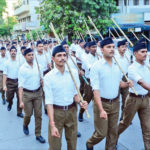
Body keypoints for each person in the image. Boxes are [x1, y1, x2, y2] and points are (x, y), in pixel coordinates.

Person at [86, 37, 133, 150]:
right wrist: (101, 109)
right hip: (102, 103)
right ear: (101, 49)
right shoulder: (96, 67)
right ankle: (89, 143)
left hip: (115, 103)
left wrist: (127, 84)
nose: (112, 49)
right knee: (101, 133)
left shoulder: (117, 65)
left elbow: (119, 83)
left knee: (113, 133)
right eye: (108, 47)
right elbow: (95, 90)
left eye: (113, 47)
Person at [44, 45, 87, 150]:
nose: (62, 58)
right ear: (53, 59)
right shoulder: (48, 77)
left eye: (64, 55)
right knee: (55, 145)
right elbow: (49, 102)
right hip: (56, 112)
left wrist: (81, 102)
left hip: (71, 111)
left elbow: (75, 95)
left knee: (72, 143)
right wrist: (52, 124)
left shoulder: (72, 73)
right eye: (59, 55)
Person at [116, 42, 150, 150]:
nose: (145, 54)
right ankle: (113, 137)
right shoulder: (132, 68)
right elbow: (141, 82)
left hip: (145, 99)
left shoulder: (147, 65)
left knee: (147, 128)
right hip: (133, 100)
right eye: (142, 52)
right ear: (135, 53)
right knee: (124, 124)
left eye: (146, 51)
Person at [18, 48, 46, 143]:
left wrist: (42, 81)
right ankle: (25, 125)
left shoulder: (39, 66)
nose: (31, 56)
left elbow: (42, 79)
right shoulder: (22, 69)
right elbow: (20, 85)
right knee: (28, 114)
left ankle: (38, 134)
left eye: (32, 55)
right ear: (25, 56)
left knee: (38, 115)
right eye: (29, 55)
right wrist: (21, 101)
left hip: (38, 93)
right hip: (27, 94)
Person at [79, 41, 99, 122]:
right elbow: (91, 68)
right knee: (87, 98)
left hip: (98, 80)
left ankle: (98, 116)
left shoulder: (98, 57)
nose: (94, 49)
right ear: (89, 48)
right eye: (92, 47)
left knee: (98, 99)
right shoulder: (86, 58)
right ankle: (81, 112)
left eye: (95, 47)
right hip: (89, 81)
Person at [3, 46, 23, 118]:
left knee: (20, 97)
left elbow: (22, 73)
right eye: (12, 51)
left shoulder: (19, 62)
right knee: (9, 97)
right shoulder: (6, 62)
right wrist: (4, 85)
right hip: (9, 83)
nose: (13, 52)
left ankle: (19, 112)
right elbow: (5, 74)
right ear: (10, 52)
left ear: (16, 52)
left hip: (18, 82)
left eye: (15, 51)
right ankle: (10, 103)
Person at [115, 40, 130, 120]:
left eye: (125, 47)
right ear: (118, 48)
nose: (124, 48)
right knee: (115, 100)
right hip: (116, 78)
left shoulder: (127, 55)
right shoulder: (114, 56)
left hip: (125, 77)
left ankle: (123, 117)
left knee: (126, 99)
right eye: (122, 47)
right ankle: (114, 117)